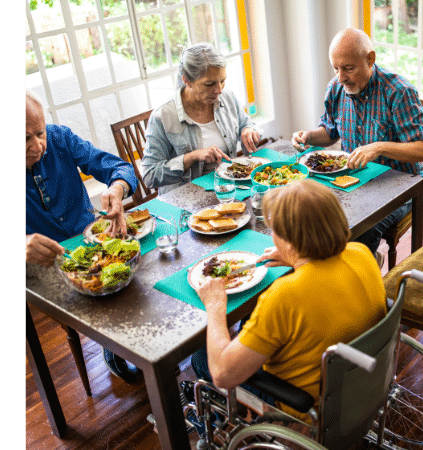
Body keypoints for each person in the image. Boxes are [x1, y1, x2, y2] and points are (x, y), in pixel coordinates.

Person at [191, 179, 386, 421]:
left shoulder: (284, 295)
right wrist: (297, 258)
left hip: (306, 405)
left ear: (290, 241)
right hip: (362, 383)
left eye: (275, 231)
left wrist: (215, 305)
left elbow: (222, 374)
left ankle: (225, 425)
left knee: (201, 358)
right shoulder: (361, 253)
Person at [25, 90, 142, 383]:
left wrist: (116, 189)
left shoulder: (60, 139)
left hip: (94, 243)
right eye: (23, 139)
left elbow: (121, 168)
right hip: (46, 266)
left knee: (140, 280)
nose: (38, 145)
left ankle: (135, 347)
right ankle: (118, 345)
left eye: (40, 132)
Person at [291, 27, 423, 261]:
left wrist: (378, 147)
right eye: (336, 68)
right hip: (354, 181)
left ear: (370, 59)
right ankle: (333, 276)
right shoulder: (336, 88)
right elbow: (330, 133)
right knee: (310, 216)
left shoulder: (398, 92)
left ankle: (361, 274)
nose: (341, 78)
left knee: (360, 231)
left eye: (348, 68)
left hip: (400, 184)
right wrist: (308, 136)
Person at [142, 42, 262, 194]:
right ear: (187, 81)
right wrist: (191, 157)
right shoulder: (162, 116)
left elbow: (247, 123)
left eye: (222, 80)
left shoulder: (227, 96)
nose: (219, 90)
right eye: (209, 84)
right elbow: (149, 176)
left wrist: (248, 129)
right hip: (185, 199)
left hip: (228, 189)